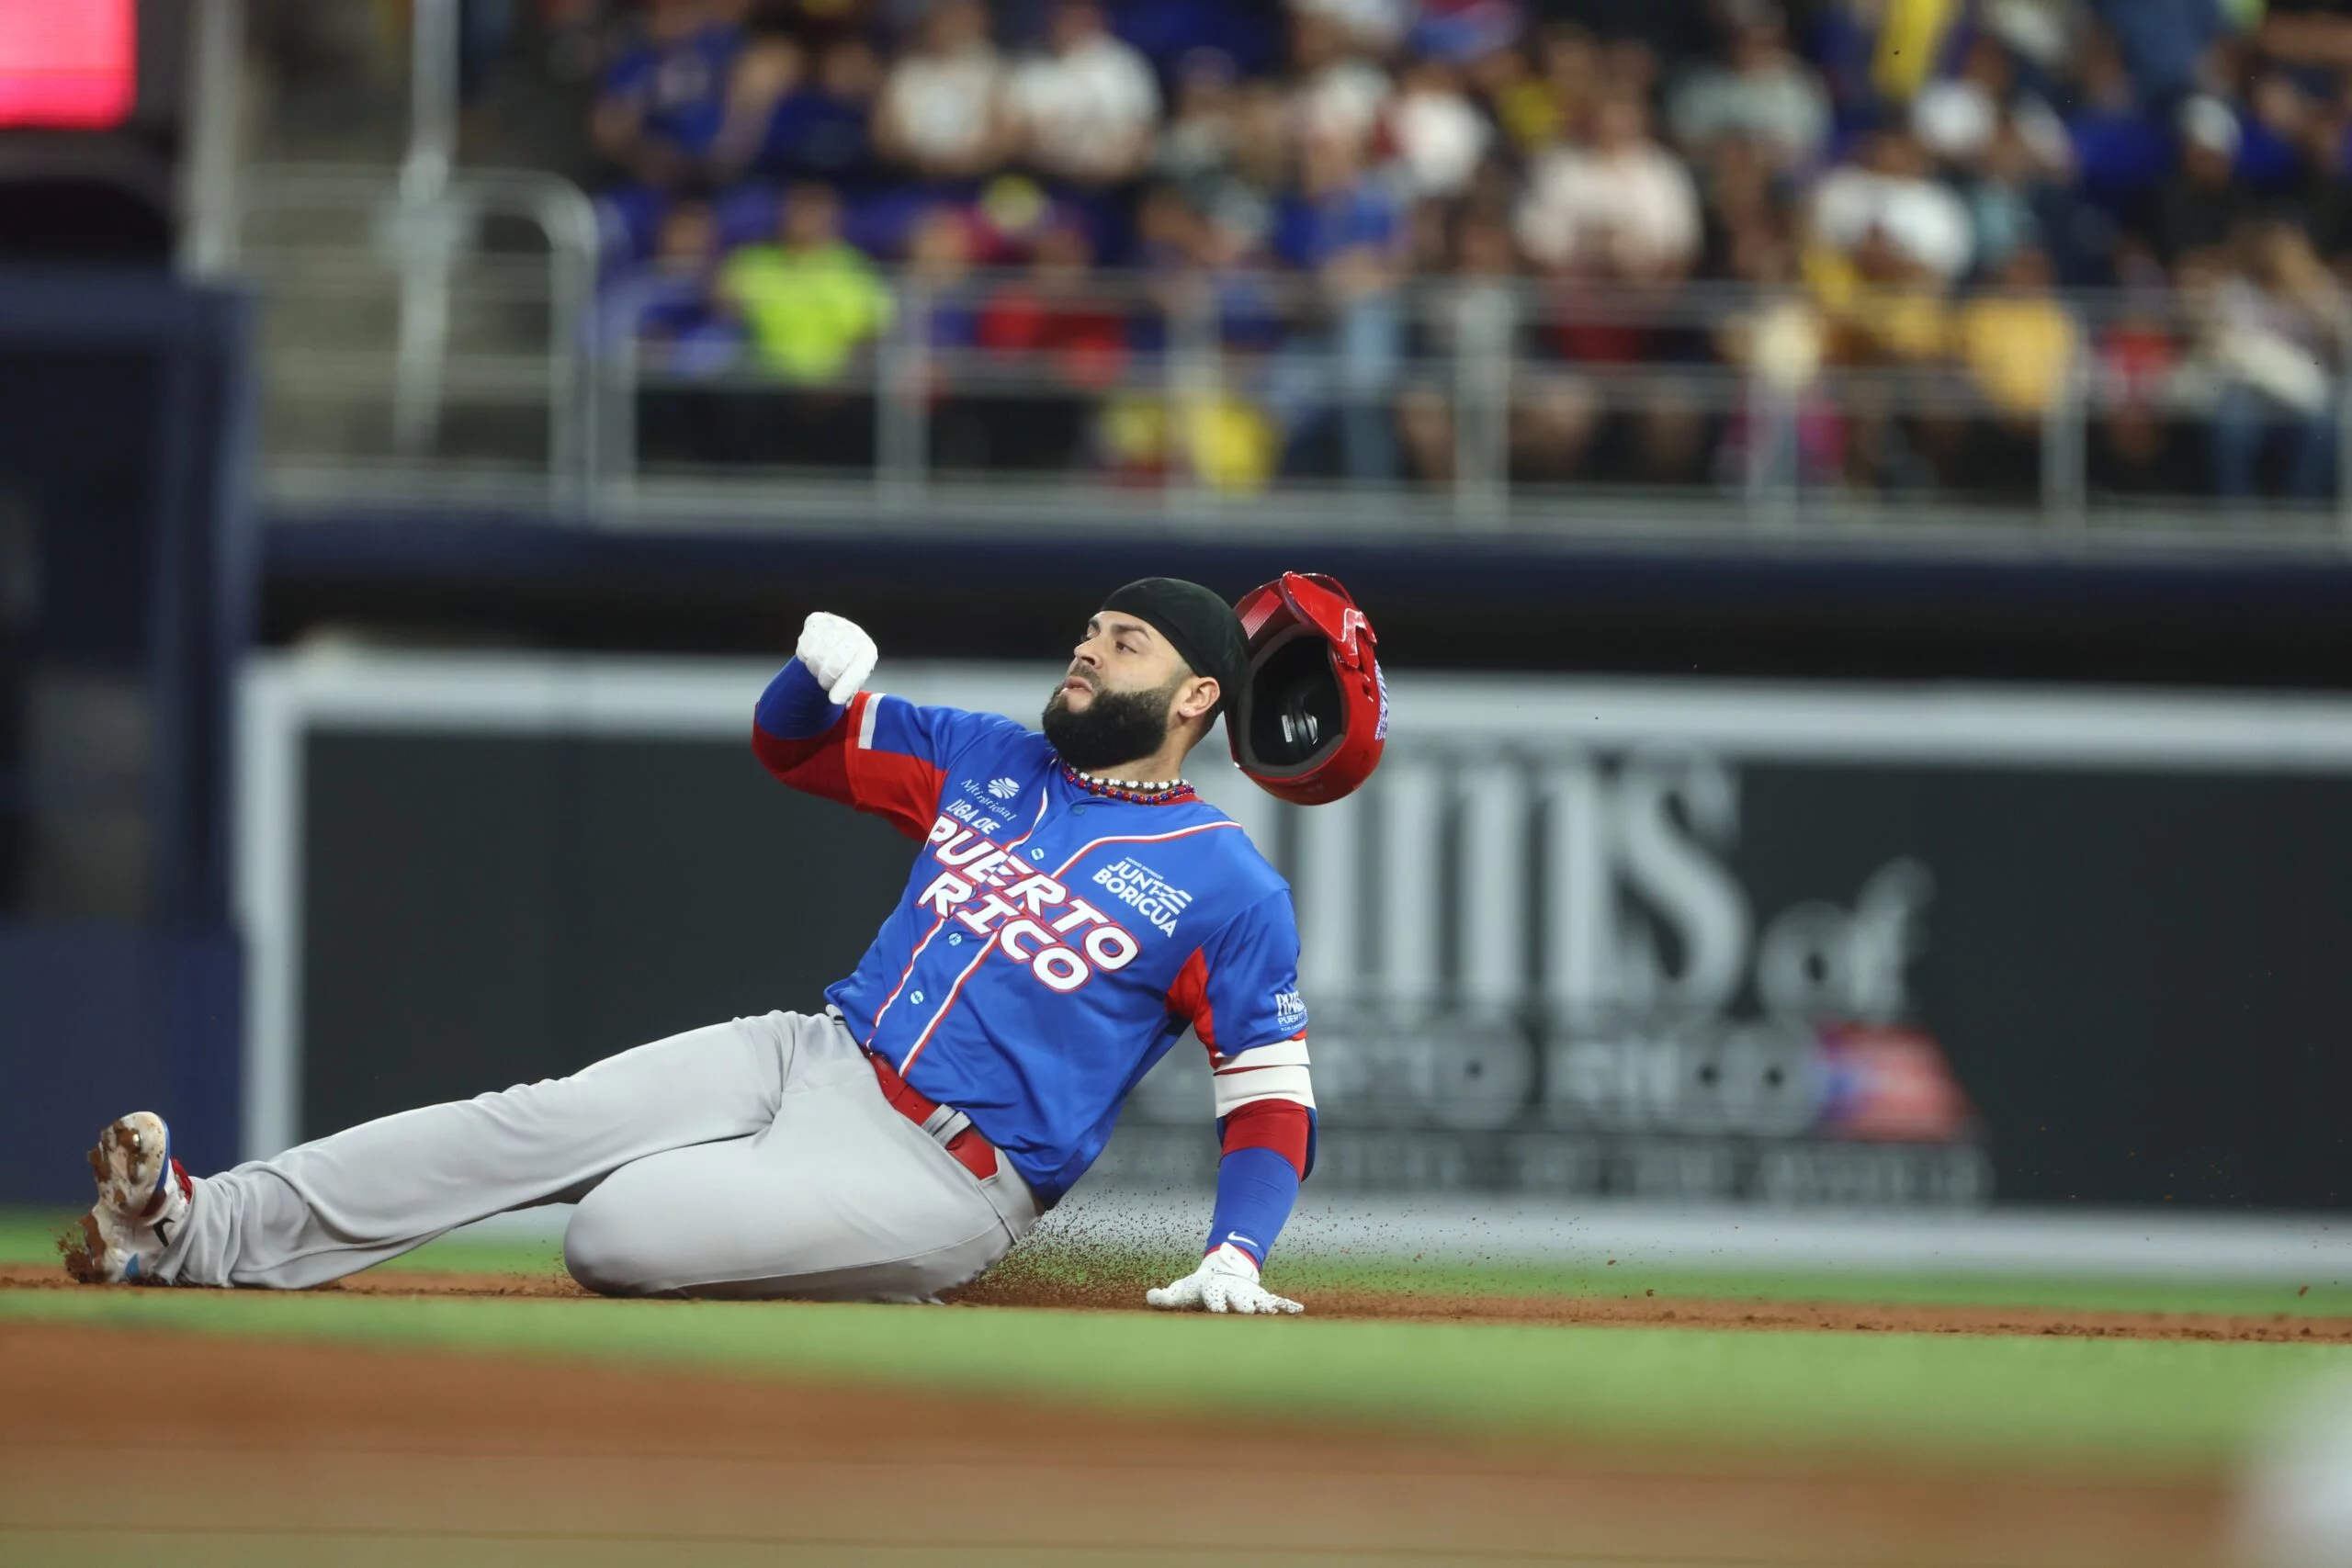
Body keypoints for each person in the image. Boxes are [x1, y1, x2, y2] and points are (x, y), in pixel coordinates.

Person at [64, 583, 1323, 1314]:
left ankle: (886, 1277)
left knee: (613, 1238)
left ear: (1196, 697)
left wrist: (1236, 1248)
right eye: (1093, 627)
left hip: (947, 1174)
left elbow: (1268, 1096)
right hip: (809, 1052)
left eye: (1125, 639)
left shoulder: (1228, 884)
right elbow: (792, 746)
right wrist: (806, 679)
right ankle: (189, 1233)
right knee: (527, 1122)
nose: (1088, 646)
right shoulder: (989, 754)